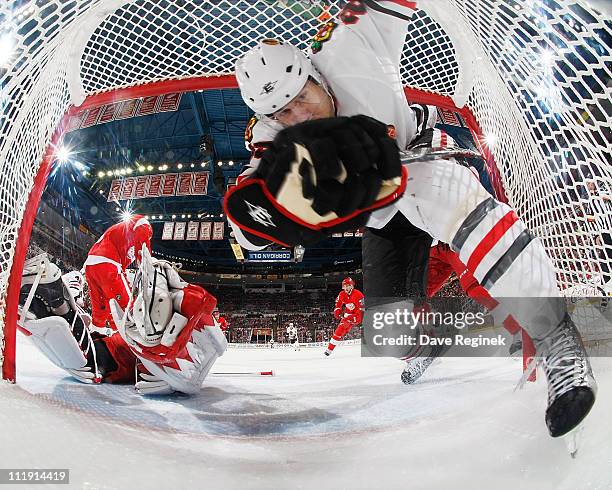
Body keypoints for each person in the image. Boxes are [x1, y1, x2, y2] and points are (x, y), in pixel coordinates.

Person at [225, 0, 596, 438]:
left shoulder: (351, 39)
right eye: (283, 113)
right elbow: (249, 221)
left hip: (420, 163)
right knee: (388, 334)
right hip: (380, 212)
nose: (298, 116)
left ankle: (559, 346)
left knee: (474, 223)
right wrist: (263, 221)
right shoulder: (270, 135)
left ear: (314, 73)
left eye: (301, 98)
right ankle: (425, 344)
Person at [83, 214, 152, 334]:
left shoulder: (122, 237)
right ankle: (123, 337)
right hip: (107, 263)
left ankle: (97, 332)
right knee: (127, 306)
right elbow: (143, 239)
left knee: (102, 305)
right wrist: (146, 261)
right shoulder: (141, 223)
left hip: (91, 265)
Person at [325, 277, 364, 356]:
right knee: (339, 331)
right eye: (344, 286)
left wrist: (355, 317)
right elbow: (338, 304)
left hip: (359, 315)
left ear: (351, 286)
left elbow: (362, 309)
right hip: (348, 315)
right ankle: (329, 349)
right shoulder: (342, 294)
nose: (345, 288)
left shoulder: (359, 294)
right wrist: (337, 310)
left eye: (347, 286)